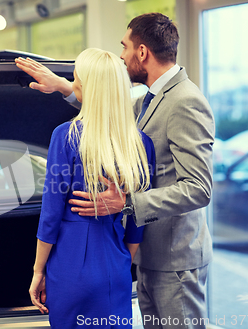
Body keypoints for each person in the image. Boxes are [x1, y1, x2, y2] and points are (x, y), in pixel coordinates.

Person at [17, 13, 214, 329]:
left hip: (174, 257)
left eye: (124, 47)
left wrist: (127, 204)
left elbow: (200, 189)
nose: (121, 56)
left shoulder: (185, 100)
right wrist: (66, 87)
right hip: (131, 256)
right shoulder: (146, 104)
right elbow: (105, 108)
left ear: (142, 52)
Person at [29, 48, 156, 329]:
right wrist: (122, 261)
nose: (73, 86)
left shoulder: (65, 136)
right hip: (116, 263)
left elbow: (50, 215)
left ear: (88, 88)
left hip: (70, 265)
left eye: (76, 80)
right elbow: (138, 220)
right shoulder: (141, 143)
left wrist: (39, 271)